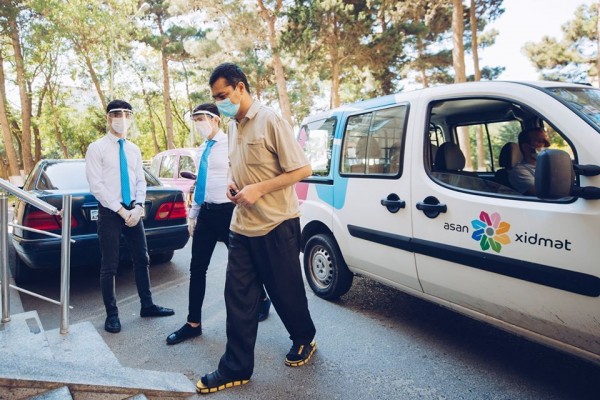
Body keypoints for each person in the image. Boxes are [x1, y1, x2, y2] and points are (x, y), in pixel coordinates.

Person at [196, 63, 317, 394]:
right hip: (243, 226)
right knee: (237, 296)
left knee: (285, 293)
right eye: (215, 97)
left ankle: (304, 338)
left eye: (222, 95)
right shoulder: (234, 126)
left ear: (240, 88)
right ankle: (236, 368)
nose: (219, 102)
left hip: (277, 223)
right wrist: (234, 185)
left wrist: (260, 189)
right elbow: (240, 168)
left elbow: (303, 168)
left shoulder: (270, 120)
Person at [166, 103, 271, 346]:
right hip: (206, 213)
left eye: (202, 118)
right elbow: (200, 184)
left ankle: (263, 299)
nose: (199, 123)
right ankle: (193, 323)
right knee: (197, 268)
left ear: (215, 120)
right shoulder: (202, 148)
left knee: (243, 264)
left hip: (228, 212)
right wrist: (192, 215)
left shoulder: (230, 143)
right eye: (196, 119)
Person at [85, 99, 174, 334]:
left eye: (126, 114)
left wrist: (136, 207)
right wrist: (121, 210)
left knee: (142, 258)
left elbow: (139, 181)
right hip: (111, 212)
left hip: (133, 210)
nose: (121, 118)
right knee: (110, 265)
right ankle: (112, 315)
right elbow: (97, 186)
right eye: (116, 113)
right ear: (108, 118)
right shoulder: (97, 148)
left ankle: (148, 305)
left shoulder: (133, 149)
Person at [508, 128, 551, 195]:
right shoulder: (519, 172)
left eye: (546, 141)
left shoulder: (547, 166)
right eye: (540, 141)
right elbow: (544, 194)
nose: (547, 145)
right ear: (526, 147)